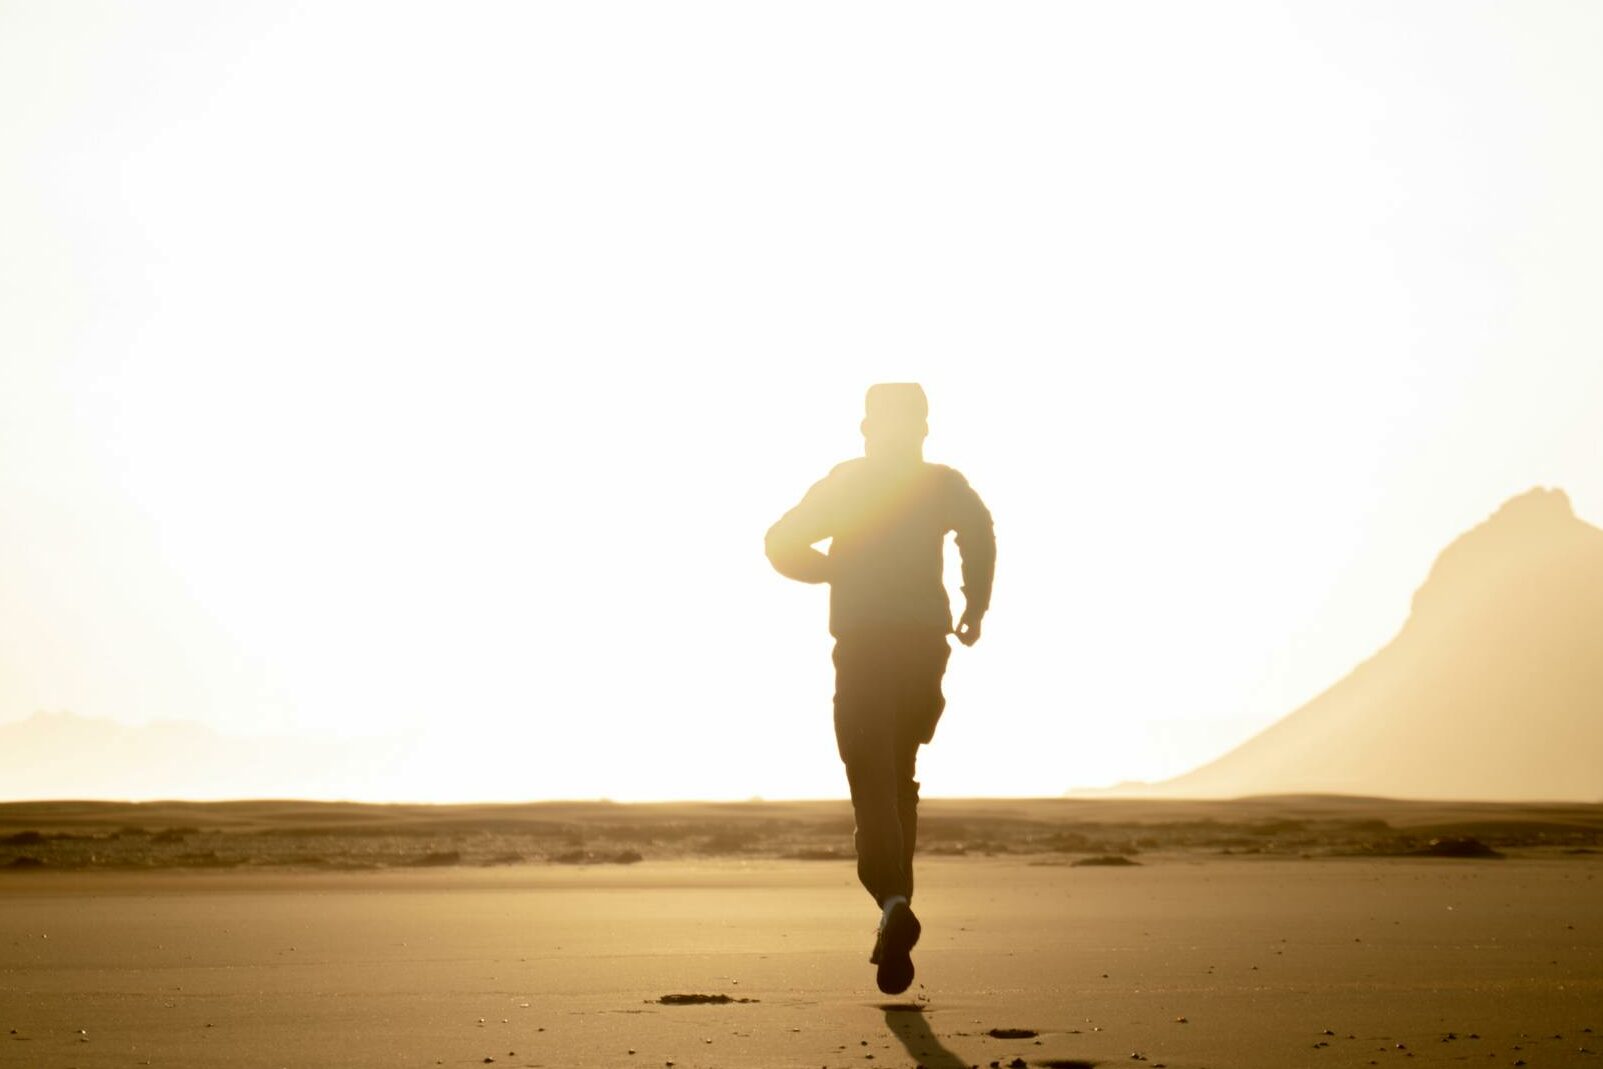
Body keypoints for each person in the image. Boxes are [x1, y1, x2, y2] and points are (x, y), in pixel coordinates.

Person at [765, 383, 995, 994]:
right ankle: (895, 914)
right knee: (898, 777)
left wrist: (831, 570)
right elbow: (981, 530)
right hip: (924, 646)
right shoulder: (943, 482)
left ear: (866, 430)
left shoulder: (847, 482)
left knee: (871, 780)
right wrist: (976, 605)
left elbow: (779, 541)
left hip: (865, 645)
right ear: (922, 430)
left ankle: (893, 905)